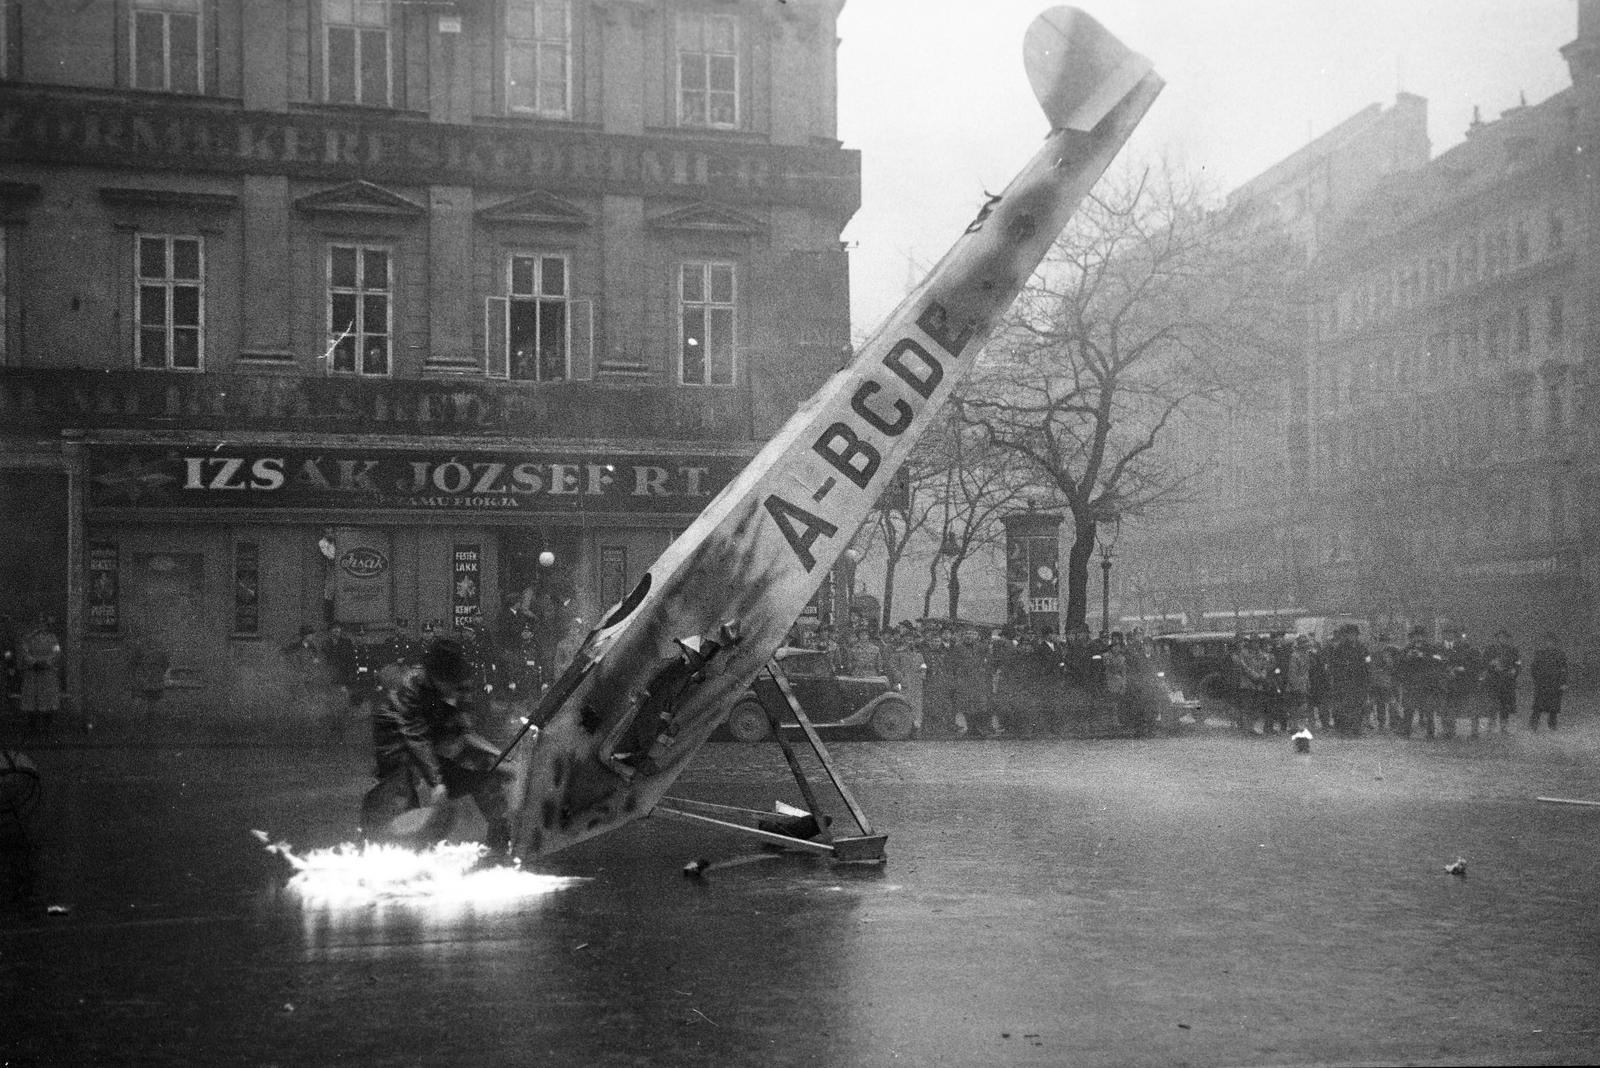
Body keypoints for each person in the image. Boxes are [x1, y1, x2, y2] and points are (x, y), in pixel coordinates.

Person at [364, 635, 514, 860]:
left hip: (437, 740)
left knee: (486, 771)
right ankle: (405, 854)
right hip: (397, 740)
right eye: (447, 681)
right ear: (434, 676)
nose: (452, 688)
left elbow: (464, 734)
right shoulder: (411, 688)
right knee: (400, 790)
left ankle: (502, 842)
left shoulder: (460, 684)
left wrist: (501, 760)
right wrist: (437, 784)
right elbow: (416, 738)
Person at [16, 619, 62, 734]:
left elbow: (57, 652)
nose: (41, 627)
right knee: (32, 700)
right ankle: (32, 727)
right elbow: (24, 652)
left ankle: (48, 726)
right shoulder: (28, 638)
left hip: (47, 673)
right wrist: (34, 662)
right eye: (38, 623)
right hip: (33, 673)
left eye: (43, 623)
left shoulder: (53, 638)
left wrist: (47, 662)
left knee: (48, 699)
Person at [1480, 630, 1520, 735]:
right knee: (1492, 705)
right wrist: (1491, 664)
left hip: (1507, 682)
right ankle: (1491, 726)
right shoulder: (1490, 649)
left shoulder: (1513, 650)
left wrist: (1515, 669)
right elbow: (1483, 662)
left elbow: (1518, 663)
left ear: (1507, 639)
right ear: (1497, 638)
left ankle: (1504, 727)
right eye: (1500, 637)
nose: (1502, 639)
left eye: (1504, 637)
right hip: (1493, 681)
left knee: (1505, 706)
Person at [126, 629, 171, 722]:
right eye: (151, 635)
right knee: (142, 699)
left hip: (154, 680)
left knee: (153, 700)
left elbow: (166, 664)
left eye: (156, 635)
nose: (153, 638)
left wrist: (159, 673)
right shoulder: (141, 649)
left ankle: (150, 719)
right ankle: (139, 719)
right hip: (144, 679)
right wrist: (138, 676)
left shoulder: (160, 651)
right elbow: (133, 664)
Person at [1527, 632, 1568, 732]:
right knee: (1538, 706)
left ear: (1555, 643)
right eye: (1548, 642)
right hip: (1542, 684)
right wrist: (1537, 679)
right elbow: (1534, 668)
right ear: (1545, 643)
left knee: (1554, 707)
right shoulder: (1539, 654)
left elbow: (1564, 669)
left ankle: (1552, 726)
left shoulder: (1560, 655)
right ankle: (1533, 725)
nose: (1550, 644)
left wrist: (1563, 682)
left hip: (1555, 684)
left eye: (1552, 642)